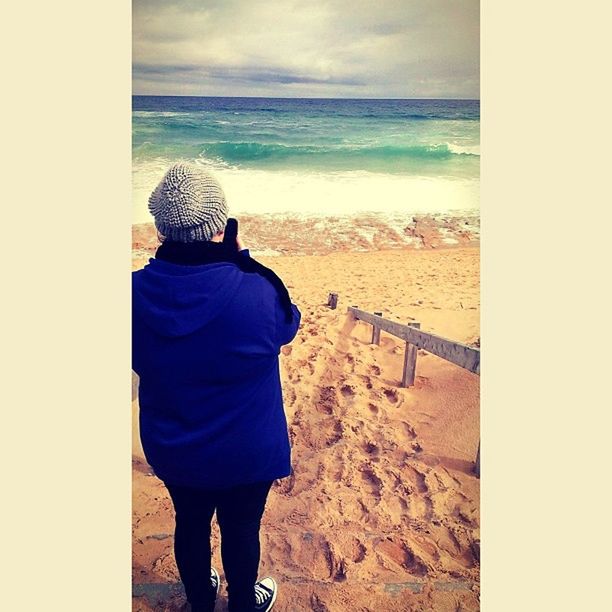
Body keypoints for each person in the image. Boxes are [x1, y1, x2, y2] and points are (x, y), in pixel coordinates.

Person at [132, 162, 301, 612]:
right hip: (248, 448)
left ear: (161, 227)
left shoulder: (131, 294)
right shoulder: (258, 290)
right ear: (220, 226)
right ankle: (243, 602)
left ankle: (201, 601)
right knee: (242, 527)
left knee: (189, 522)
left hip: (176, 445)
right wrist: (241, 258)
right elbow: (290, 323)